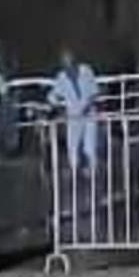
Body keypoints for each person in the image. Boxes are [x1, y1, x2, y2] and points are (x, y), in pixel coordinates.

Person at [49, 48, 100, 181]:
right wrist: (57, 108)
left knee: (90, 143)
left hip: (89, 113)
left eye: (70, 64)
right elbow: (53, 96)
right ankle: (73, 168)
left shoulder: (86, 71)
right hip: (73, 115)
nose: (68, 68)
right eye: (65, 65)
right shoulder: (61, 77)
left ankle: (92, 169)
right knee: (72, 143)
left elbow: (95, 92)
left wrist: (87, 107)